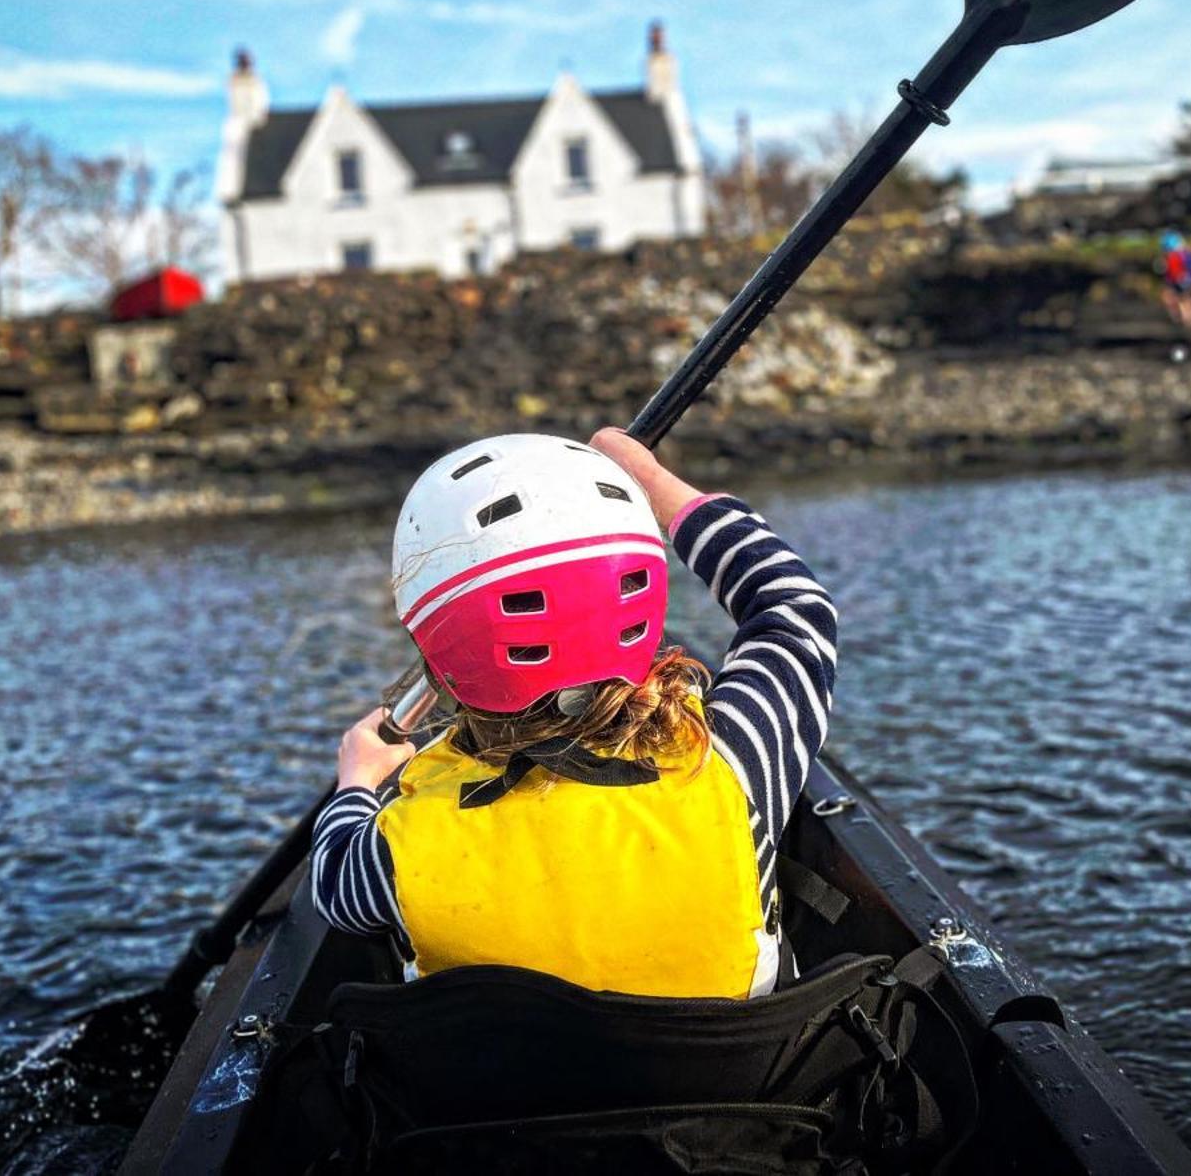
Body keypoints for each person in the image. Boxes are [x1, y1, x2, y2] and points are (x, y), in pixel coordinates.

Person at [311, 428, 837, 1000]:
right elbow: (793, 606)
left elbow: (334, 887)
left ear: (436, 644)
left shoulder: (393, 853)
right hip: (736, 1082)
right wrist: (654, 484)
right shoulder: (736, 760)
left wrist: (357, 782)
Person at [1159, 229, 1191, 327]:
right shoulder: (1181, 254)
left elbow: (1186, 268)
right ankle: (1183, 318)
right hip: (1179, 280)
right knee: (1174, 298)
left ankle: (1187, 319)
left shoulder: (1180, 254)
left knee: (1182, 298)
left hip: (1182, 280)